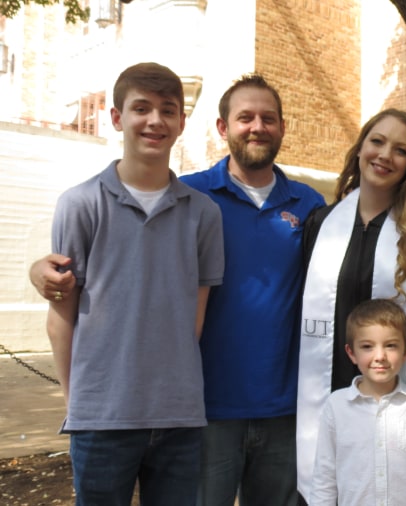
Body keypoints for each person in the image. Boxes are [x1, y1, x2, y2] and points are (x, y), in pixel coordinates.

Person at [31, 73, 326, 506]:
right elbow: (108, 265)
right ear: (222, 128)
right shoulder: (192, 195)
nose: (257, 126)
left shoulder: (309, 206)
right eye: (245, 117)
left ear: (283, 127)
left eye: (268, 118)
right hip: (206, 408)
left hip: (280, 407)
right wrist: (40, 270)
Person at [44, 62, 225, 505]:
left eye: (168, 110)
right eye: (141, 108)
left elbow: (194, 320)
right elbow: (61, 317)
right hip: (102, 420)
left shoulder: (204, 214)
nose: (155, 120)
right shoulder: (80, 204)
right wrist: (79, 404)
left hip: (180, 419)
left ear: (182, 122)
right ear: (116, 117)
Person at [297, 108, 406, 501]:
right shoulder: (321, 223)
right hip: (332, 388)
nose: (385, 155)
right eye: (377, 141)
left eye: (401, 150)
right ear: (360, 149)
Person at [309, 298, 406, 505]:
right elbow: (324, 479)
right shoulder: (337, 406)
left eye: (391, 346)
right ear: (351, 353)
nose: (380, 356)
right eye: (367, 346)